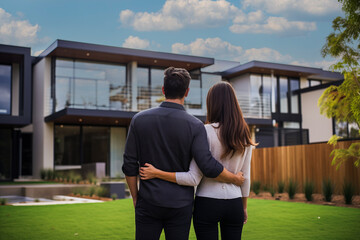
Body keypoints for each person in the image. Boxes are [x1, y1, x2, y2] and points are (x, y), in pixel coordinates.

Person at [122, 67, 245, 240]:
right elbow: (206, 164)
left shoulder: (139, 120)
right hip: (181, 206)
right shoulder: (195, 126)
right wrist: (235, 179)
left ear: (163, 90)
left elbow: (129, 164)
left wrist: (136, 197)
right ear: (186, 92)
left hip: (148, 202)